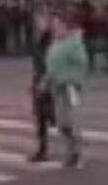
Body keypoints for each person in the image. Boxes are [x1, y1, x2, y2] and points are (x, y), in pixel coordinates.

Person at [43, 10, 88, 169]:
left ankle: (79, 154)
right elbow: (51, 67)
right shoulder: (55, 43)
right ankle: (71, 151)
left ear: (66, 26)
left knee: (74, 120)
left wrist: (71, 75)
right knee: (62, 123)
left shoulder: (74, 43)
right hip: (57, 86)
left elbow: (82, 62)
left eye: (58, 25)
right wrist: (46, 83)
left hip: (70, 86)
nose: (55, 28)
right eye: (54, 25)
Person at [28, 13, 56, 163]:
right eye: (37, 22)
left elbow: (51, 64)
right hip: (39, 82)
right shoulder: (38, 42)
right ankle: (42, 149)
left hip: (51, 83)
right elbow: (37, 65)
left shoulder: (52, 41)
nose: (38, 25)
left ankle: (75, 146)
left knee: (56, 117)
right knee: (41, 118)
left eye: (41, 22)